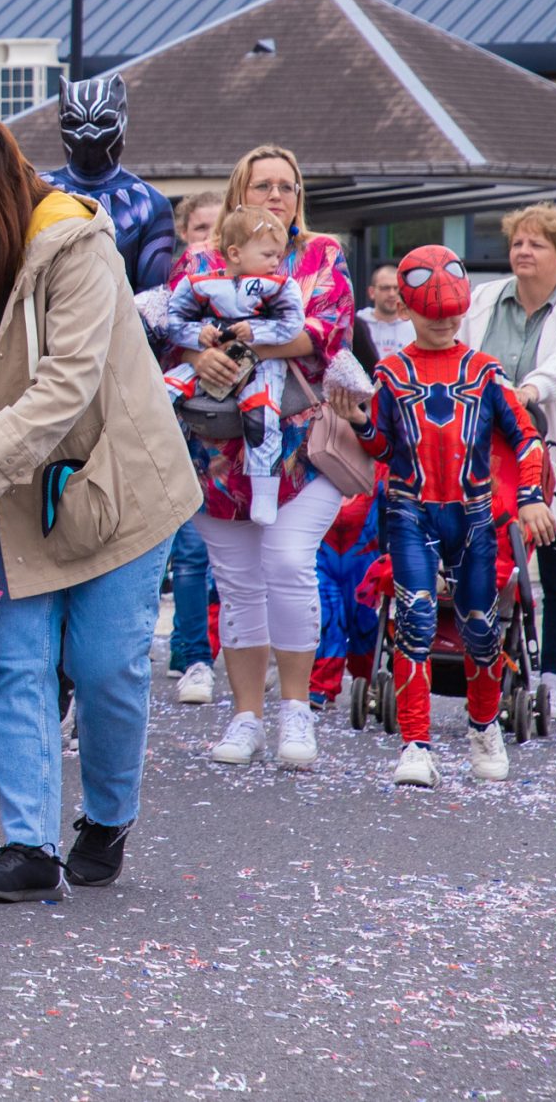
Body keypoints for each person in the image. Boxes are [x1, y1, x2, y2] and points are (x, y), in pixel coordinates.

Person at [0, 102, 199, 904]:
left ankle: (108, 818)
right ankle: (29, 846)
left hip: (114, 485)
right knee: (14, 661)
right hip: (9, 491)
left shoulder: (76, 245)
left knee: (104, 667)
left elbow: (65, 386)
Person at [333, 245, 554, 786]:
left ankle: (484, 727)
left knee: (481, 629)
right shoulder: (390, 372)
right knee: (413, 621)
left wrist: (530, 495)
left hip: (475, 517)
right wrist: (361, 422)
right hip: (411, 512)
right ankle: (415, 744)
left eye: (452, 314)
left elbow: (527, 439)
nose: (443, 322)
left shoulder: (485, 372)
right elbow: (385, 448)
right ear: (407, 309)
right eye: (432, 314)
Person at [168, 145, 355, 775]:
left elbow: (327, 332)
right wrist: (198, 356)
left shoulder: (321, 254)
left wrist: (248, 345)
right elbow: (168, 328)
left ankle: (296, 708)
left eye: (287, 186)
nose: (277, 195)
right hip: (218, 449)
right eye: (263, 185)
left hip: (301, 446)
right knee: (238, 581)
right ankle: (246, 715)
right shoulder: (199, 259)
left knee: (287, 562)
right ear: (238, 195)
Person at [461, 206, 556, 725]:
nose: (523, 251)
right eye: (518, 242)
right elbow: (459, 352)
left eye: (536, 244)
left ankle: (555, 678)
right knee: (481, 560)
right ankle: (484, 665)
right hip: (483, 453)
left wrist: (526, 392)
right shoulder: (484, 299)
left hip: (553, 453)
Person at [161, 209, 306, 525]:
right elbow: (172, 321)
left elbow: (293, 324)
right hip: (207, 356)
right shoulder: (199, 283)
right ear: (235, 253)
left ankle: (264, 493)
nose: (275, 261)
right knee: (164, 393)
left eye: (278, 255)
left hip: (260, 361)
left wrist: (255, 331)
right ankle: (164, 463)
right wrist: (198, 334)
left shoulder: (282, 286)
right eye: (267, 254)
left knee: (261, 412)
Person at [162, 189, 226, 702]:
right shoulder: (176, 281)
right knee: (188, 551)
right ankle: (193, 656)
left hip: (230, 433)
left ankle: (192, 647)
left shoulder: (248, 279)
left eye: (218, 227)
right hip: (183, 428)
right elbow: (162, 337)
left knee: (220, 556)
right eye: (202, 228)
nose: (211, 237)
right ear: (184, 232)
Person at [39, 74, 176, 291]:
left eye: (101, 122)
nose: (87, 134)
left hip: (119, 310)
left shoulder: (150, 204)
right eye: (74, 122)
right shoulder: (35, 192)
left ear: (122, 118)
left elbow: (152, 296)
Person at [359, 263, 417, 358]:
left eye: (396, 288)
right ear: (372, 292)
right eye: (385, 288)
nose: (392, 294)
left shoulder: (415, 327)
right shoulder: (359, 325)